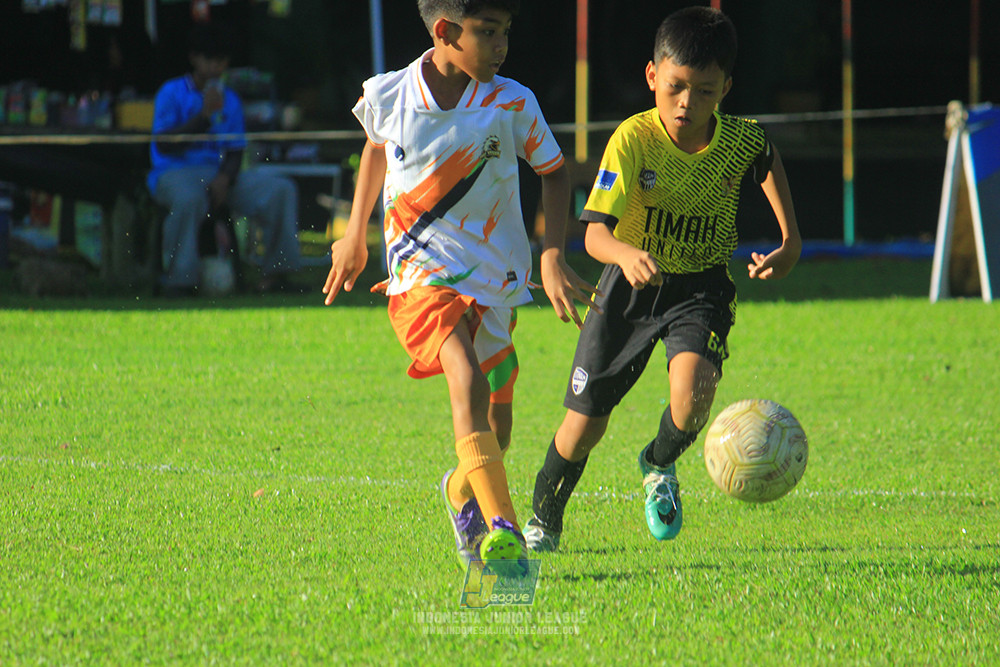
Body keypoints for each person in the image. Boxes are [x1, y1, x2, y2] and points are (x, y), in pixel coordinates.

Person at [322, 0, 597, 570]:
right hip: (418, 274)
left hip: (494, 277)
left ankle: (460, 493)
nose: (501, 46)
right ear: (446, 31)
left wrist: (551, 254)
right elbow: (377, 148)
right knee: (465, 381)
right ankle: (506, 533)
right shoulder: (390, 94)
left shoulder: (512, 101)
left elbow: (553, 172)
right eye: (488, 33)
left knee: (498, 423)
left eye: (505, 33)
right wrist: (355, 234)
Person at [523, 6, 802, 552]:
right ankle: (545, 520)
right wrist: (625, 255)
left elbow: (766, 159)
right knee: (584, 426)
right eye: (675, 87)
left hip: (701, 289)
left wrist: (790, 242)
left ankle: (658, 462)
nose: (686, 104)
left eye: (704, 92)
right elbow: (593, 235)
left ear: (725, 88)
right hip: (630, 289)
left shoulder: (740, 140)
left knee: (694, 394)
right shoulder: (633, 140)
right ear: (653, 76)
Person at [148, 22, 301, 296]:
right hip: (174, 172)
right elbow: (164, 144)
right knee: (188, 198)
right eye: (210, 60)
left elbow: (235, 149)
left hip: (219, 174)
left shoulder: (229, 99)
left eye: (222, 62)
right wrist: (204, 117)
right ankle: (179, 281)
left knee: (280, 189)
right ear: (194, 58)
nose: (216, 68)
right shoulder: (171, 93)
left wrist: (224, 178)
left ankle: (277, 274)